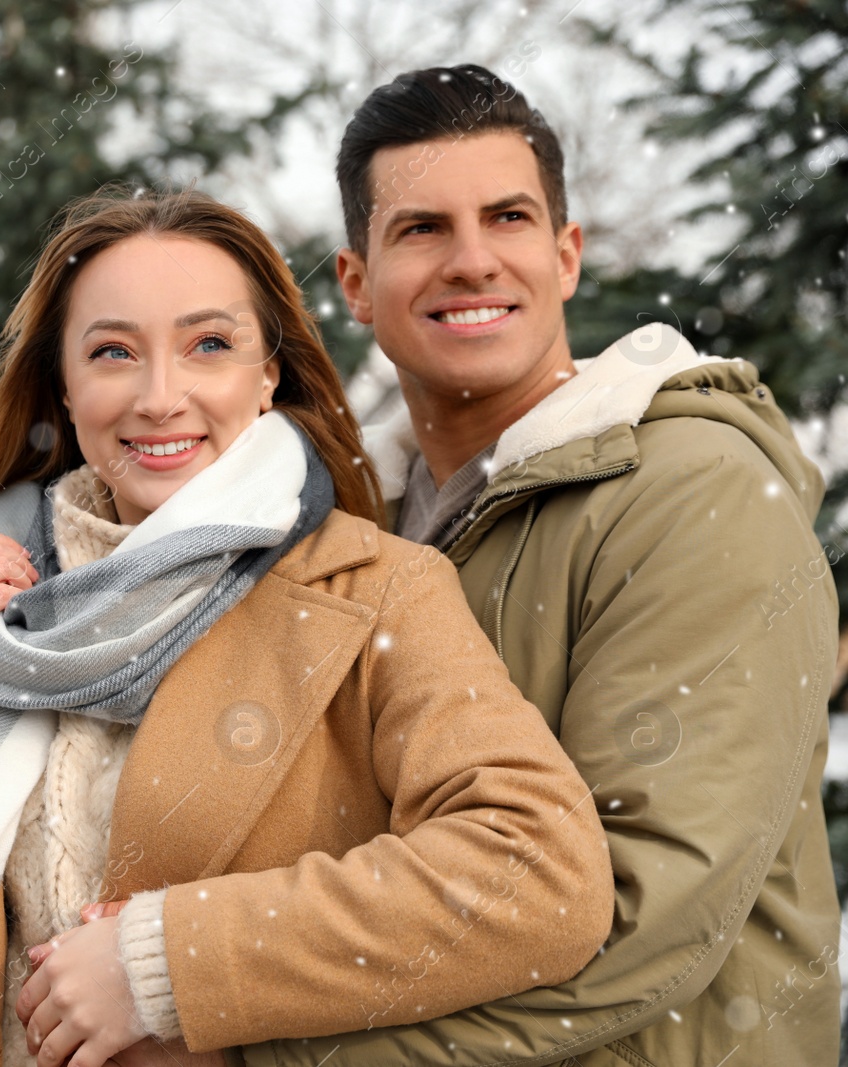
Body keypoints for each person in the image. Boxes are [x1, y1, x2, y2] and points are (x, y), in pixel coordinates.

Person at [0, 184, 615, 1067]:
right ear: (65, 388)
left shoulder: (379, 590)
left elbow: (541, 874)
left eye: (209, 345)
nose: (161, 397)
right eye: (114, 351)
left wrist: (169, 962)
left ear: (267, 375)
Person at [240, 65, 839, 1067]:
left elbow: (634, 910)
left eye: (507, 218)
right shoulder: (343, 532)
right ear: (354, 282)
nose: (472, 261)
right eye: (421, 228)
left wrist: (254, 1049)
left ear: (564, 256)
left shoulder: (695, 494)